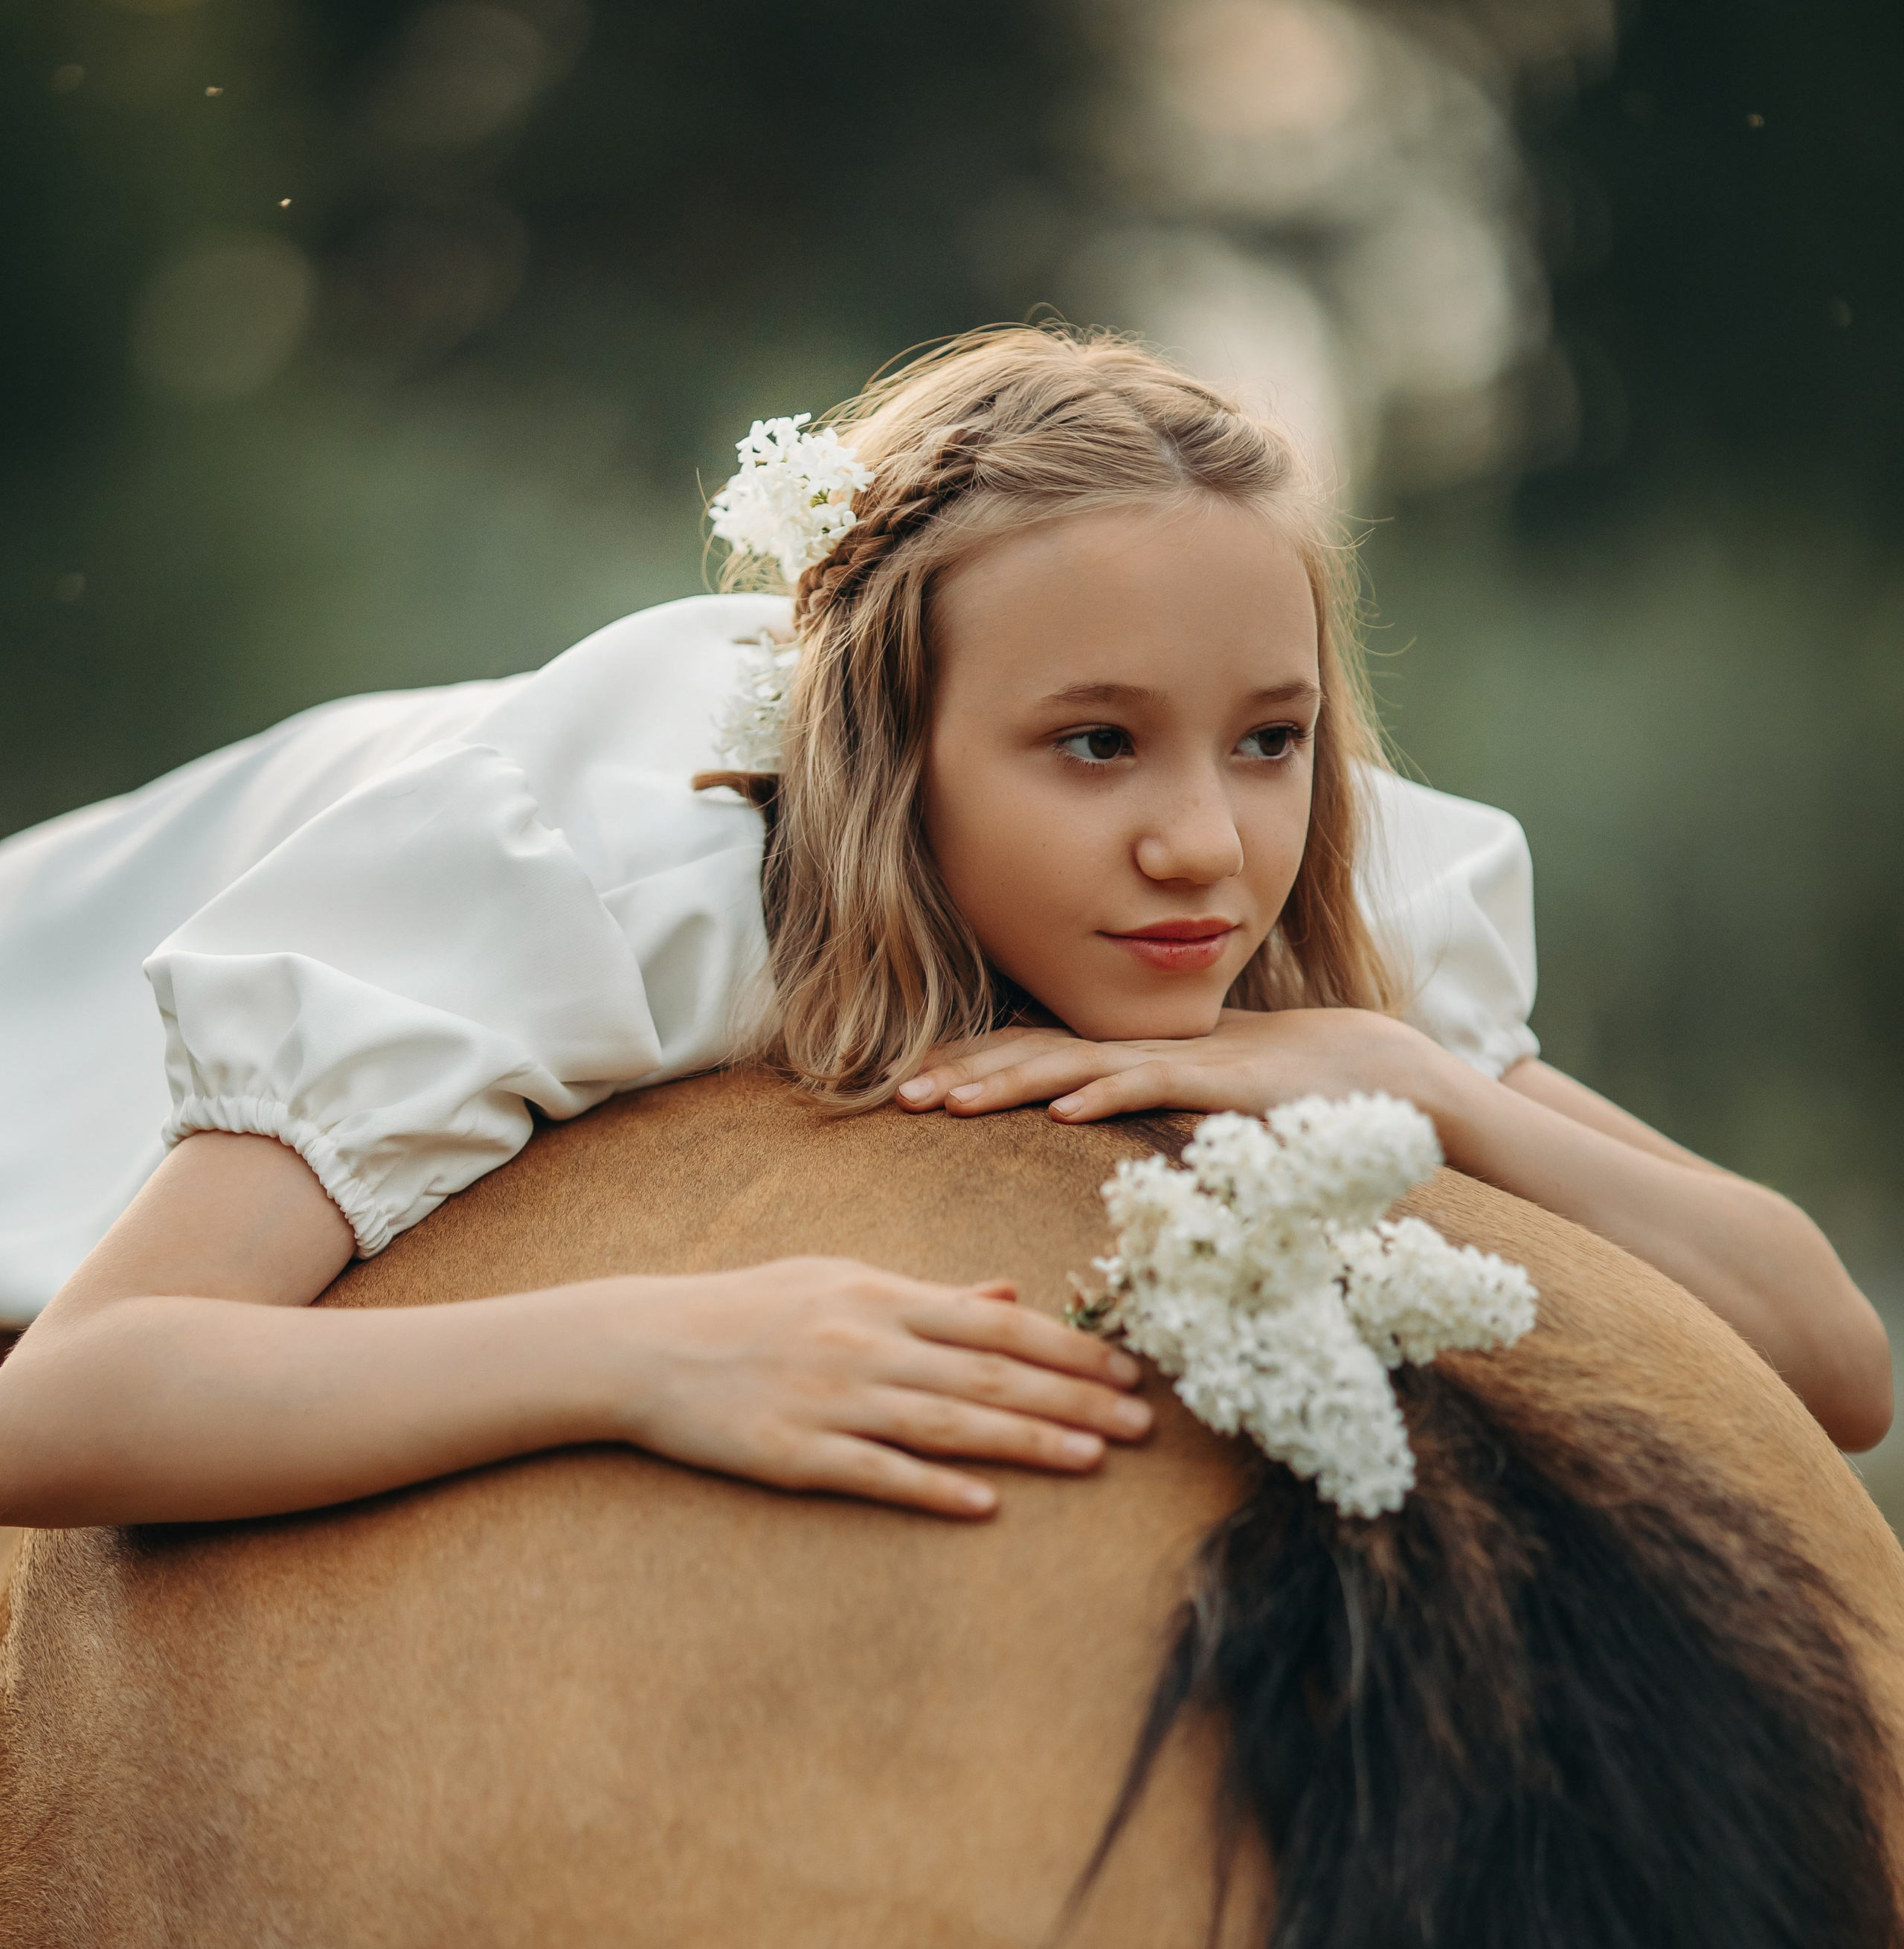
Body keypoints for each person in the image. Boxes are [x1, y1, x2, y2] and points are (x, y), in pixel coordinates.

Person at [0, 328, 1887, 1532]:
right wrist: (645, 1354)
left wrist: (1404, 1073)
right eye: (1090, 744)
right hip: (115, 946)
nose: (1200, 846)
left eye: (1268, 738)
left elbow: (1829, 1358)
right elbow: (70, 1403)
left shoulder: (1316, 887)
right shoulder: (592, 876)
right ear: (895, 745)